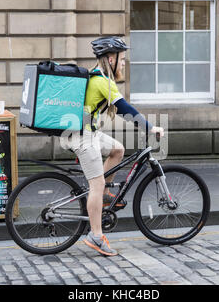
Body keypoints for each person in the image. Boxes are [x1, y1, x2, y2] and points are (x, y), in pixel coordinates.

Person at [61, 36, 164, 256]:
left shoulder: (96, 75)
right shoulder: (101, 81)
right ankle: (96, 236)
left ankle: (105, 194)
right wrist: (149, 127)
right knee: (95, 185)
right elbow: (125, 108)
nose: (125, 63)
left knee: (117, 149)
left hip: (86, 132)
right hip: (82, 136)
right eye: (123, 59)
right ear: (111, 58)